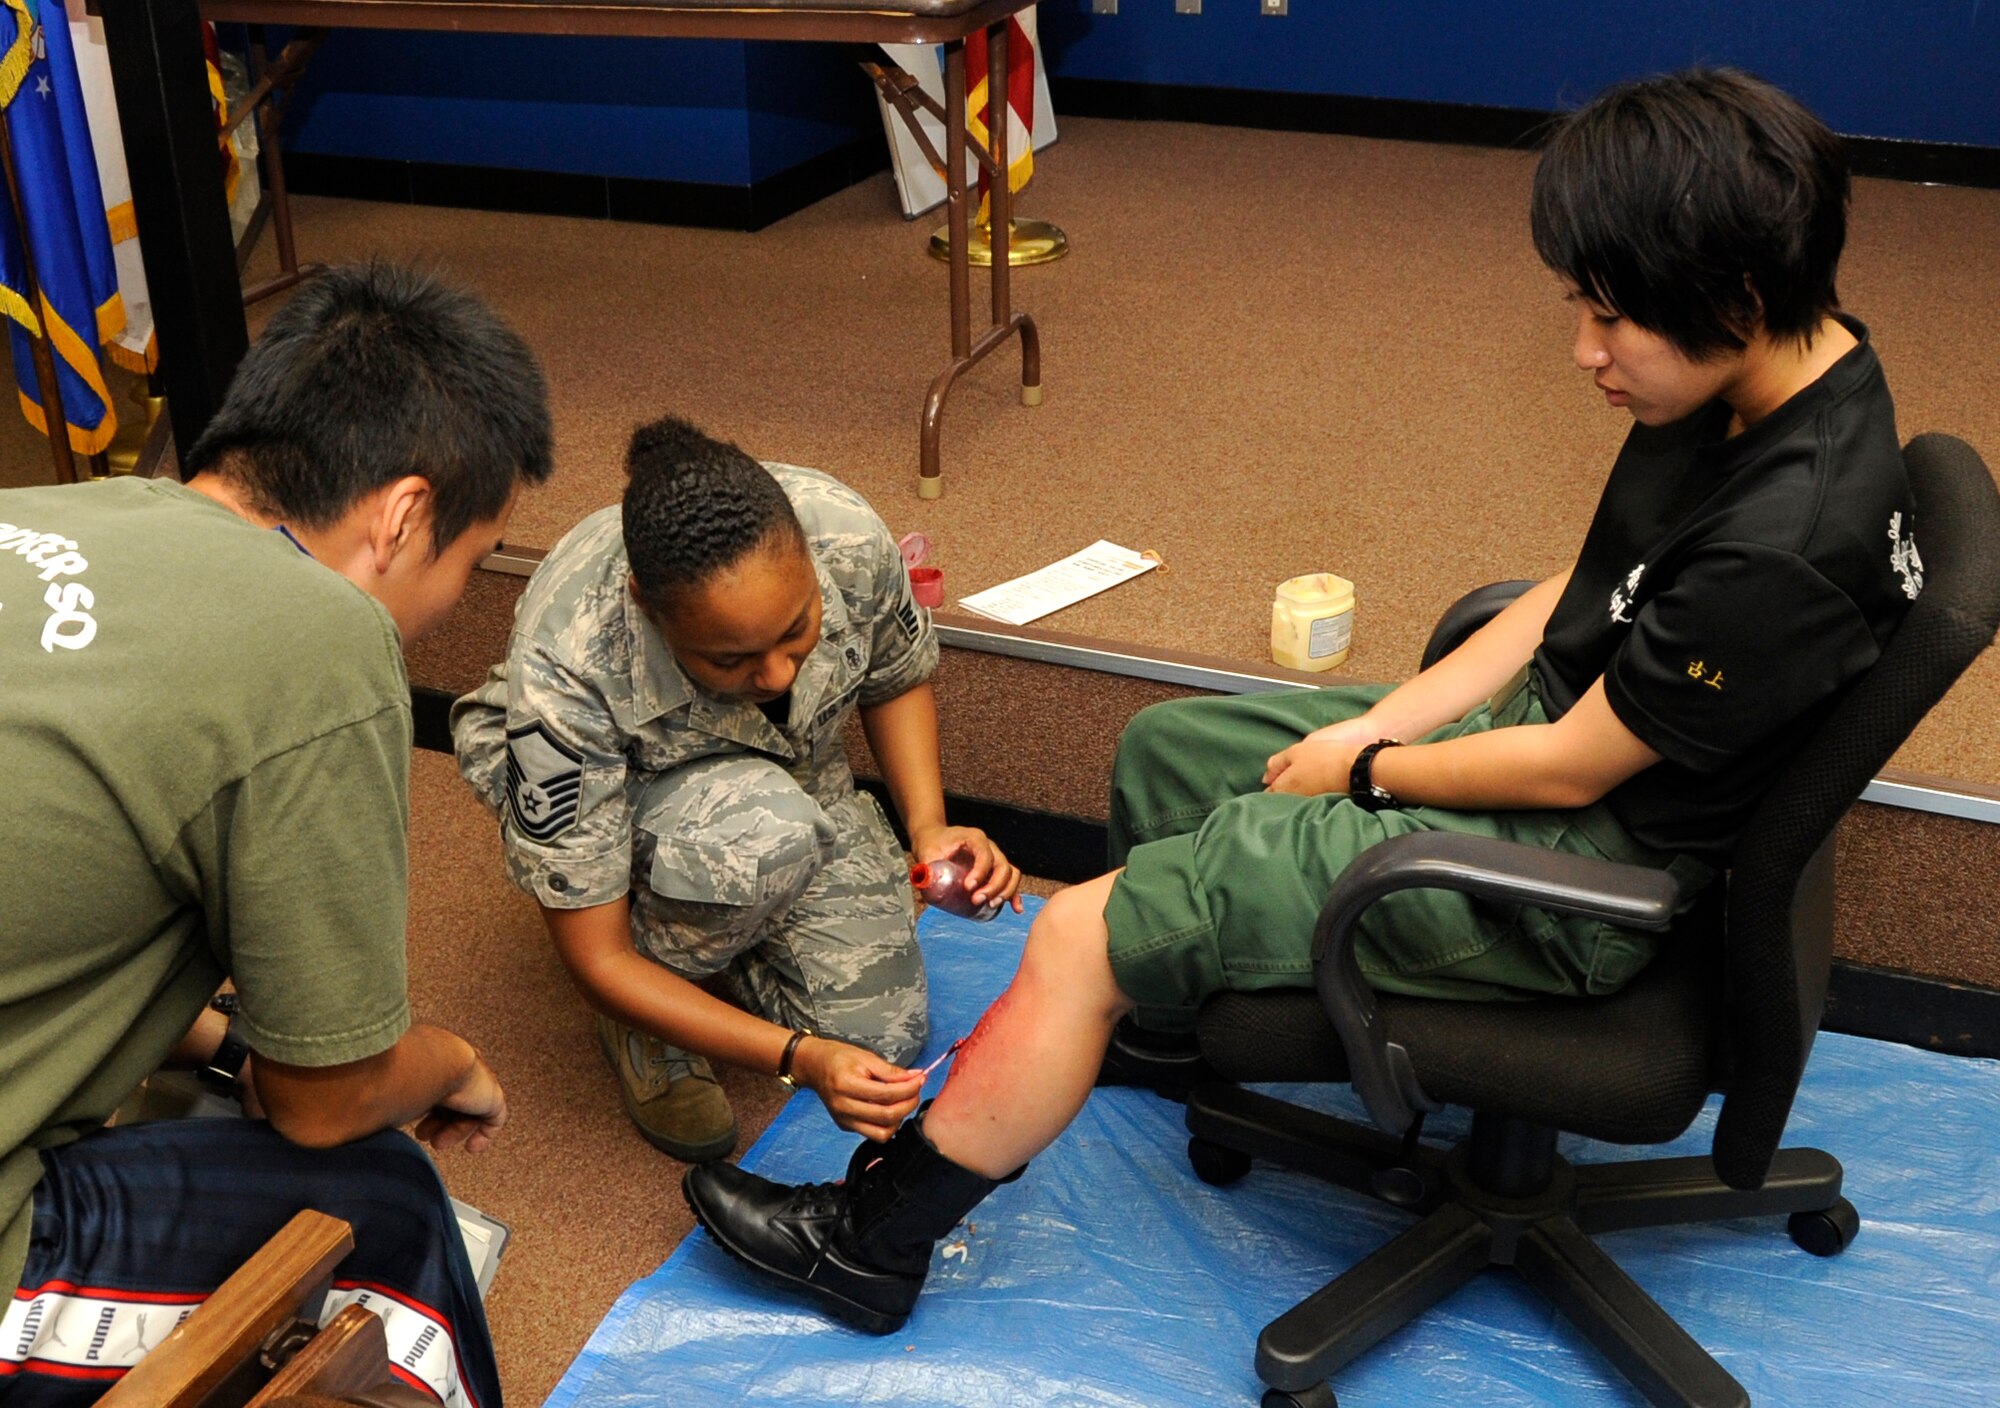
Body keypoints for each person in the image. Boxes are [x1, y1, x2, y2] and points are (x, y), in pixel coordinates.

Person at [682, 67, 1925, 1335]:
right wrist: (1383, 721)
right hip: (1562, 739)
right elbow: (1597, 579)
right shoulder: (1767, 367)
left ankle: (870, 1242)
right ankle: (1159, 1023)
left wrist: (1370, 771)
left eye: (1609, 320)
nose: (1582, 352)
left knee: (1069, 935)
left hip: (1578, 869)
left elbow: (1568, 774)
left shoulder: (1781, 541)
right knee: (1169, 750)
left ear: (1734, 295)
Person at [0, 264, 553, 1408]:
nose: (454, 604)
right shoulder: (319, 637)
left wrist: (225, 1043)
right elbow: (324, 1097)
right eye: (470, 563)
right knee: (385, 1206)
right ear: (401, 516)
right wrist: (450, 1058)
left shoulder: (43, 510)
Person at [452, 416, 1021, 1164]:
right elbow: (598, 960)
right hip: (635, 784)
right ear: (648, 608)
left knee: (879, 1038)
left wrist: (930, 829)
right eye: (732, 658)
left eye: (798, 629)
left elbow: (895, 677)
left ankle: (731, 925)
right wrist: (797, 1058)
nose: (780, 675)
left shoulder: (843, 533)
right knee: (765, 835)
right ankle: (647, 1009)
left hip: (793, 769)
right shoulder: (569, 662)